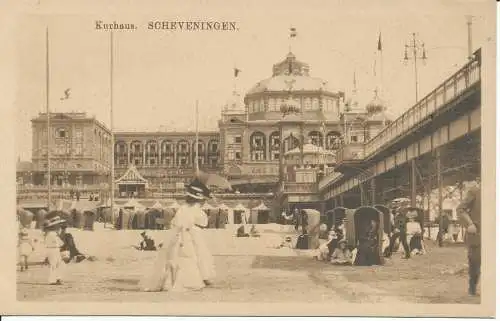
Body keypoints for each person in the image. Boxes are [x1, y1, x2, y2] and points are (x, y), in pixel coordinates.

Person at [139, 178, 216, 292]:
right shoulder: (197, 209)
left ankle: (173, 280)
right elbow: (203, 222)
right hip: (191, 234)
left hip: (178, 235)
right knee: (196, 255)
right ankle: (200, 277)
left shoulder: (182, 208)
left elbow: (175, 222)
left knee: (177, 257)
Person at [457, 184, 481, 296]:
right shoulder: (475, 191)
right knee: (475, 263)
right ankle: (472, 288)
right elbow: (460, 209)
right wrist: (470, 224)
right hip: (478, 234)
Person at [43, 213, 66, 285]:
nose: (58, 226)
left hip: (54, 249)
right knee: (54, 265)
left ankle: (57, 278)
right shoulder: (52, 234)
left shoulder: (51, 233)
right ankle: (52, 280)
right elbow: (60, 243)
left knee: (59, 264)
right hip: (52, 249)